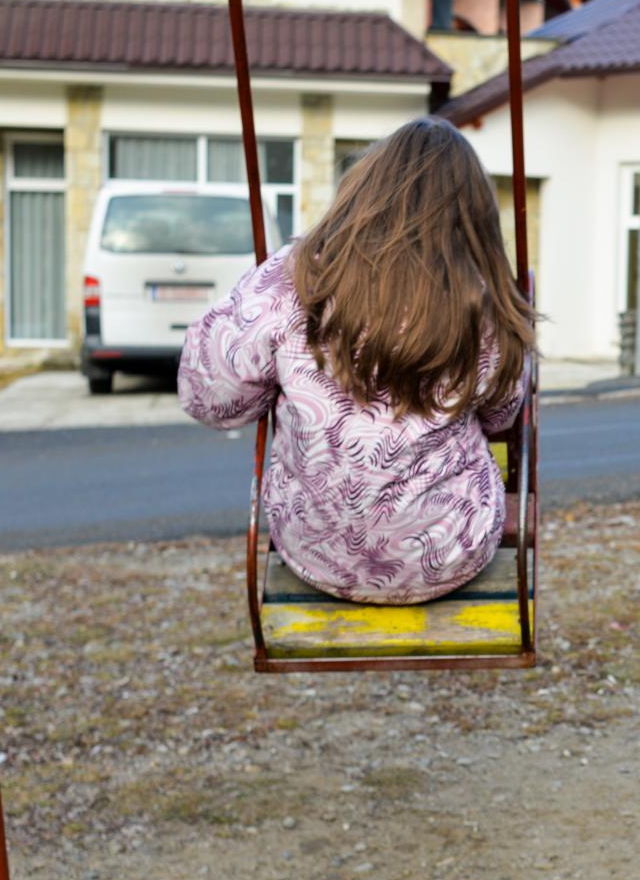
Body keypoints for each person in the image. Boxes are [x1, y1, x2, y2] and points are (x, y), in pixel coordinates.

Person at [179, 117, 534, 605]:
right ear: (473, 216)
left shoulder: (295, 277)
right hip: (451, 550)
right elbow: (502, 416)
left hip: (316, 552)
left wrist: (283, 381)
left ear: (362, 193)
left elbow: (212, 402)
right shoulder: (483, 299)